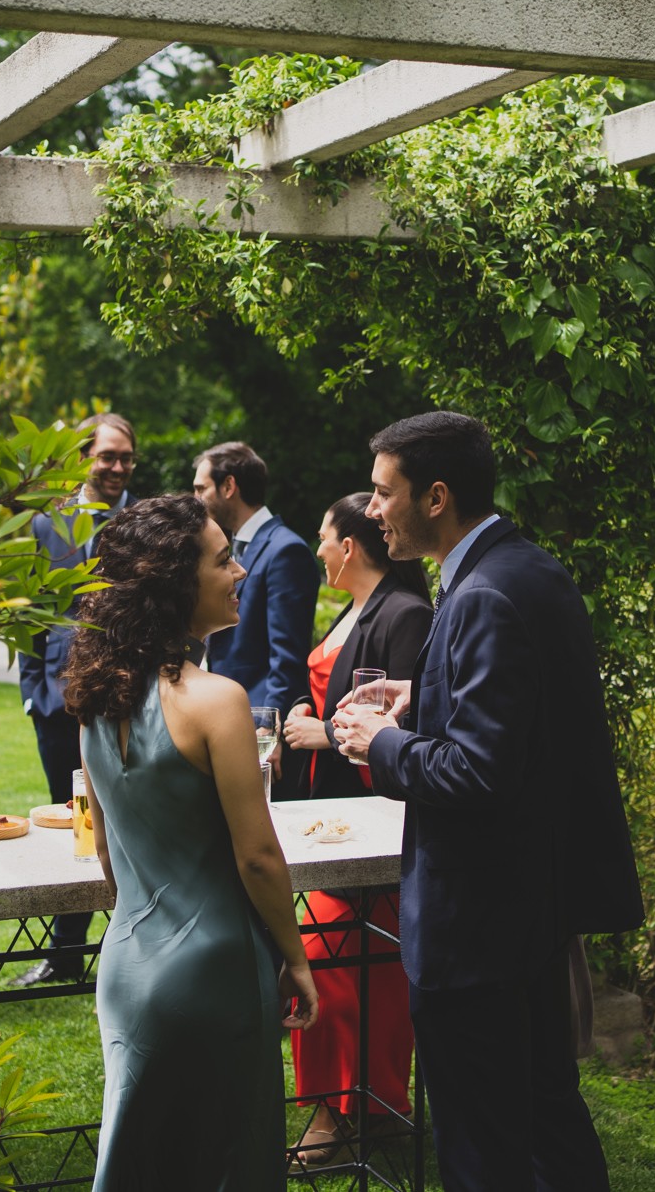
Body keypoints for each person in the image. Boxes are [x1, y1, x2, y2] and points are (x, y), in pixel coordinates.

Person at [332, 412, 644, 1192]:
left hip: (475, 926)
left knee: (483, 1149)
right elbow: (533, 719)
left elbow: (478, 771)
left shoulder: (480, 596)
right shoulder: (527, 567)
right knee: (547, 1122)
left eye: (383, 493)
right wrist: (423, 690)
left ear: (436, 496)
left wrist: (381, 742)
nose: (373, 512)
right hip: (531, 909)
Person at [67, 494, 319, 1192]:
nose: (240, 570)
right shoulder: (217, 700)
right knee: (226, 1166)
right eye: (224, 558)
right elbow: (258, 856)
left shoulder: (97, 694)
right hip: (214, 971)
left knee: (143, 1164)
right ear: (177, 581)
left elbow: (108, 854)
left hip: (127, 965)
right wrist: (295, 957)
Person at [278, 492, 431, 1167]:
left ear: (350, 546)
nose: (316, 549)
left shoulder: (406, 615)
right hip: (335, 818)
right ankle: (346, 1104)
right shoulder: (358, 608)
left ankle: (354, 1110)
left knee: (333, 956)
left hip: (381, 826)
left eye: (322, 537)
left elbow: (407, 730)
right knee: (320, 956)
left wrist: (322, 738)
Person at [15, 412, 136, 989]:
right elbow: (28, 612)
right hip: (56, 697)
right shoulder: (47, 523)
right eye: (107, 456)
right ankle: (65, 952)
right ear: (83, 456)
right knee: (73, 820)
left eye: (125, 458)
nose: (116, 467)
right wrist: (31, 689)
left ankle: (127, 941)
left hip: (125, 696)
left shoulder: (143, 523)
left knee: (126, 815)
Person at [192, 442, 317, 773]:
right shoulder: (235, 545)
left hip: (257, 722)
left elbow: (287, 654)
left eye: (201, 488)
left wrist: (267, 729)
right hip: (228, 714)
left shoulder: (285, 550)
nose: (195, 499)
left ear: (229, 486)